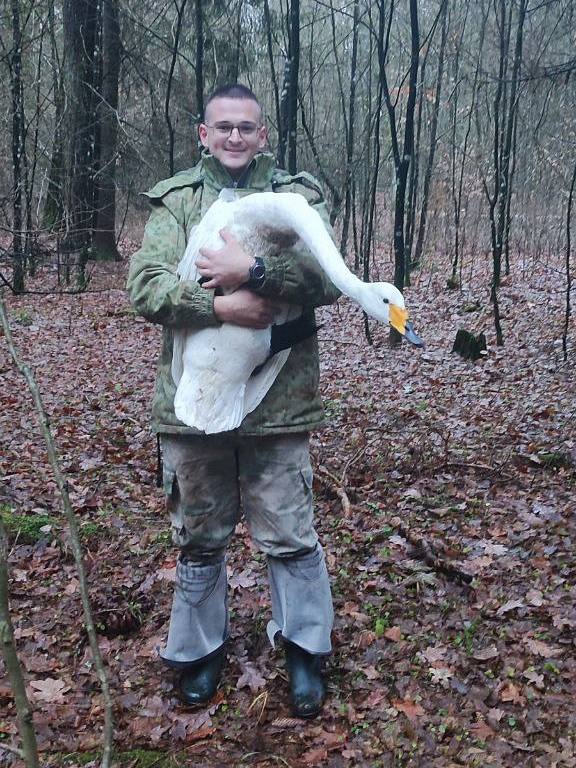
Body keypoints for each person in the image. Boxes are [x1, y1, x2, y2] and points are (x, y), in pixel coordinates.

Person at [127, 83, 340, 718]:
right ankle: (199, 652)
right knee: (199, 533)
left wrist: (254, 272)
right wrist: (220, 306)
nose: (235, 137)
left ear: (262, 133)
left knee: (289, 530)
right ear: (204, 133)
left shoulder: (299, 197)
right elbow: (146, 286)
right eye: (223, 127)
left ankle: (305, 650)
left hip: (279, 404)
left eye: (246, 127)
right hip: (192, 404)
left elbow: (325, 278)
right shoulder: (178, 202)